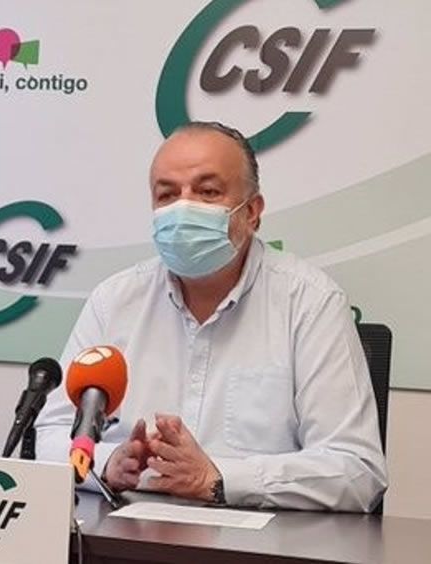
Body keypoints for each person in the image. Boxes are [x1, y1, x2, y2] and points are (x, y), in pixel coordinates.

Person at [34, 122, 387, 512]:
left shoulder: (310, 302)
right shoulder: (114, 301)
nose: (184, 208)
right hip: (129, 532)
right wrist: (107, 463)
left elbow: (357, 470)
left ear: (252, 212)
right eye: (167, 195)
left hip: (258, 537)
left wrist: (218, 479)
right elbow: (51, 434)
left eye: (208, 192)